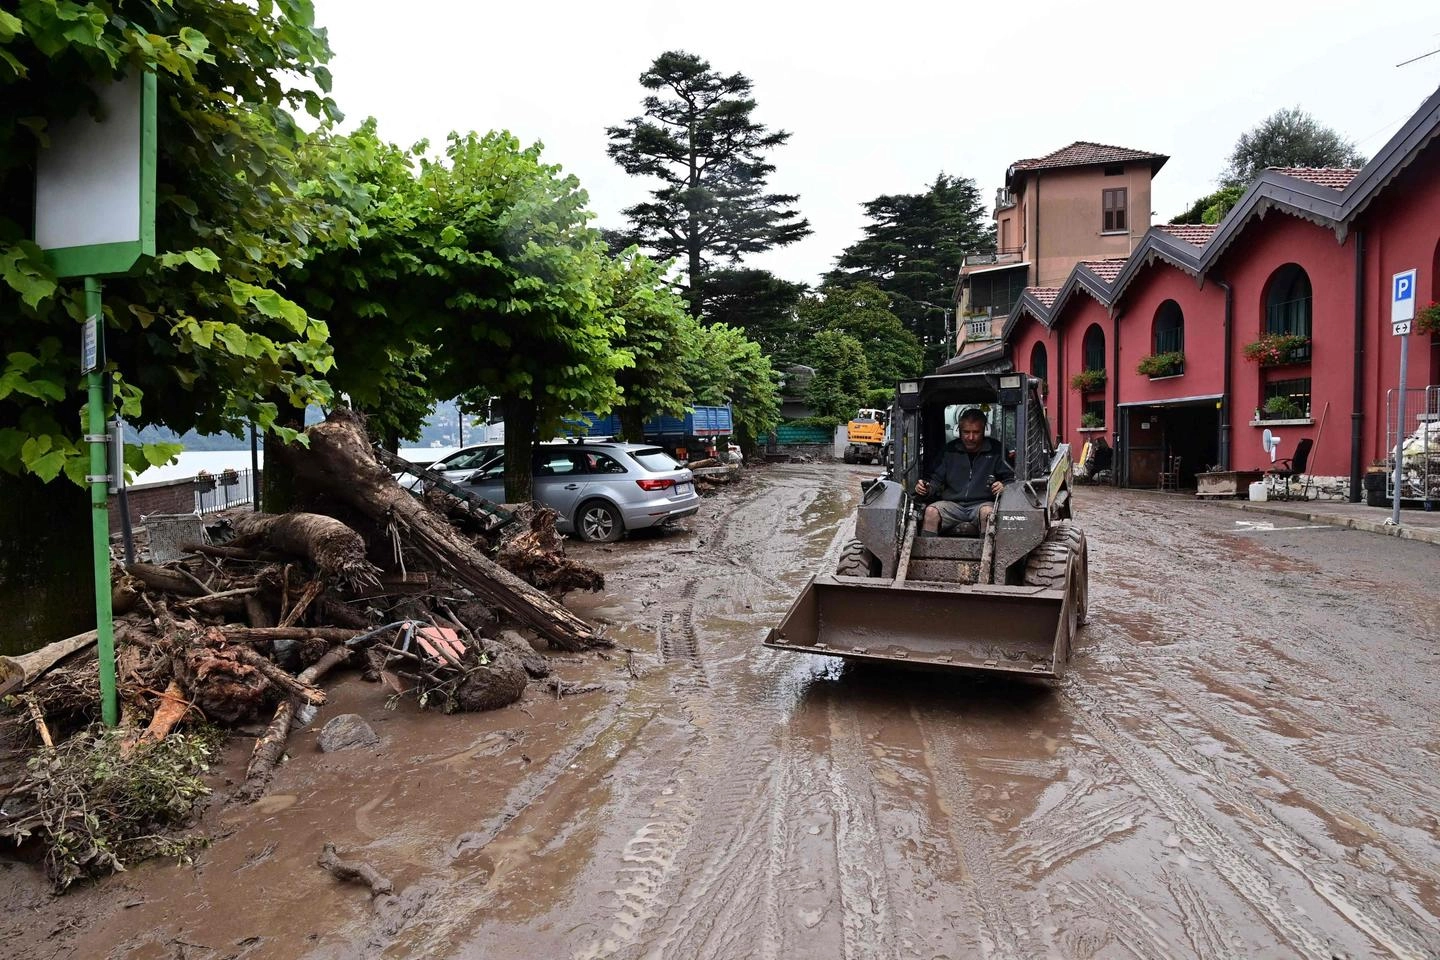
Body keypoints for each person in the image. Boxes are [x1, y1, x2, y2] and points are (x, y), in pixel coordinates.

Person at [913, 408, 1014, 536]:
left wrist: (1003, 486)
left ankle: (987, 554)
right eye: (966, 432)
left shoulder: (997, 451)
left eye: (976, 432)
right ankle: (927, 554)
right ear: (959, 431)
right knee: (931, 512)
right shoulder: (949, 451)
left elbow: (1011, 479)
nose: (970, 437)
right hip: (953, 505)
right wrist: (926, 489)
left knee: (988, 513)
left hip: (982, 504)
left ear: (985, 431)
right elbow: (935, 480)